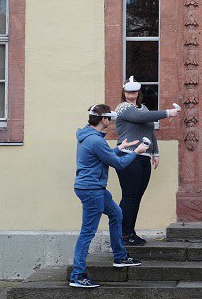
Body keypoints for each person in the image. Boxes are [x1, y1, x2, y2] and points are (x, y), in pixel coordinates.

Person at [70, 104, 147, 288]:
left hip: (92, 188)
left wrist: (120, 147)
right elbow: (119, 164)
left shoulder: (88, 136)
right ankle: (77, 275)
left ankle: (120, 257)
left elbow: (103, 156)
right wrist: (136, 152)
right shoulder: (95, 140)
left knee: (116, 214)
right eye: (109, 118)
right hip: (92, 191)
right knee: (87, 232)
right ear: (103, 119)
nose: (110, 122)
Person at [114, 76, 180, 246]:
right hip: (128, 155)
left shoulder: (143, 108)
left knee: (136, 197)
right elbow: (141, 118)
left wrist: (155, 153)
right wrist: (167, 113)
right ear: (124, 92)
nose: (131, 95)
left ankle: (130, 232)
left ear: (138, 93)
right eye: (128, 92)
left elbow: (149, 131)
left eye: (134, 92)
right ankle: (123, 234)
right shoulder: (123, 108)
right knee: (129, 196)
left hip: (143, 157)